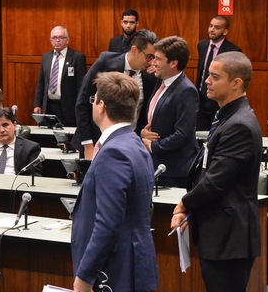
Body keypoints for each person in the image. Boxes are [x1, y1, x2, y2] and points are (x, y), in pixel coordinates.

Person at [171, 52, 261, 292]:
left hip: (229, 238)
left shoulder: (240, 124)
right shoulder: (228, 116)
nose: (206, 81)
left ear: (236, 83)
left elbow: (216, 180)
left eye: (214, 76)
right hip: (223, 234)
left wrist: (184, 203)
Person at [70, 71, 157, 292]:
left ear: (101, 105)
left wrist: (84, 273)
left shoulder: (113, 152)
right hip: (133, 267)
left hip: (113, 273)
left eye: (93, 99)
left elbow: (107, 223)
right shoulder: (135, 144)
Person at [75, 29, 158, 158]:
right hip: (96, 141)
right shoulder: (106, 62)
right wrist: (88, 144)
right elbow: (82, 102)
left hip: (128, 145)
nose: (151, 62)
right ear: (134, 50)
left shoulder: (150, 77)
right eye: (149, 57)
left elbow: (143, 113)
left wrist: (142, 132)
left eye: (154, 58)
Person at [140, 36, 198, 187]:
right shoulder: (161, 82)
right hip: (156, 166)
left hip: (175, 171)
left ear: (173, 63)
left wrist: (153, 146)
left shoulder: (186, 91)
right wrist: (144, 133)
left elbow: (182, 134)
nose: (153, 63)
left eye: (158, 59)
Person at [33, 26, 87, 126]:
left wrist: (80, 107)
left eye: (61, 37)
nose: (57, 40)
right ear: (50, 40)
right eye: (54, 38)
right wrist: (37, 105)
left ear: (67, 40)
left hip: (68, 108)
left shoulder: (77, 57)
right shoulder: (46, 57)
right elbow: (41, 83)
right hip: (48, 106)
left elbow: (81, 85)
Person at [195, 16, 242, 130]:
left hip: (219, 101)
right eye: (211, 26)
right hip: (201, 99)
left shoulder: (233, 51)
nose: (212, 30)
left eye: (217, 27)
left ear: (225, 31)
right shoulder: (202, 45)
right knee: (199, 134)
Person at [0, 107, 41, 175]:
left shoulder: (30, 148)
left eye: (5, 125)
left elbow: (35, 176)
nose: (1, 130)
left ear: (14, 125)